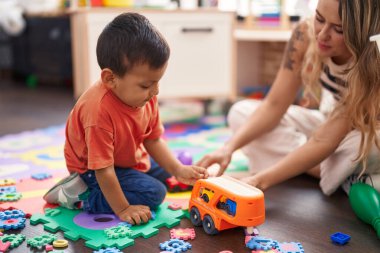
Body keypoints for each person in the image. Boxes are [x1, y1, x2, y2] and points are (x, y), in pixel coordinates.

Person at [197, 0, 380, 196]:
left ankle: (320, 168)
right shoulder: (305, 33)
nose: (322, 34)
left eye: (338, 29)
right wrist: (228, 148)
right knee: (240, 113)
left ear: (362, 31)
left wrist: (259, 180)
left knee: (361, 147)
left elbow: (324, 140)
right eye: (319, 18)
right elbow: (274, 104)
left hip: (366, 130)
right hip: (330, 121)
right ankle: (335, 173)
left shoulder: (374, 57)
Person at [43, 13, 208, 225]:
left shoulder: (146, 96)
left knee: (168, 168)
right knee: (155, 193)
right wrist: (123, 209)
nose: (155, 91)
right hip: (92, 171)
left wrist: (178, 170)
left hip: (126, 157)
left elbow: (153, 140)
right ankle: (80, 197)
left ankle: (159, 174)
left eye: (157, 82)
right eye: (146, 85)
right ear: (110, 78)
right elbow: (104, 169)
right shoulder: (98, 111)